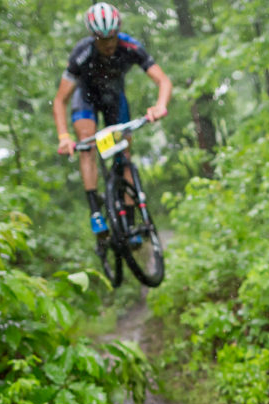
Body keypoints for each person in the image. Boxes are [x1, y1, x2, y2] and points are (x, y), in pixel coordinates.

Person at [53, 2, 172, 241]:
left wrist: (160, 105)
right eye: (101, 39)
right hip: (85, 101)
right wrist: (64, 137)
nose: (108, 44)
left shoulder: (130, 46)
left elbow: (163, 81)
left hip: (114, 101)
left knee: (124, 158)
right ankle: (96, 212)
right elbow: (59, 101)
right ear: (92, 36)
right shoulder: (81, 53)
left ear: (118, 31)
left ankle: (129, 222)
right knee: (88, 146)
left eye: (112, 37)